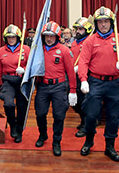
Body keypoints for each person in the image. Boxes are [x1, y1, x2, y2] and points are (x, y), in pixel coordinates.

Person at [77, 6, 119, 162]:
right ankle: (89, 141)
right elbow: (83, 61)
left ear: (111, 22)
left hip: (114, 83)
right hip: (95, 82)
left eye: (106, 21)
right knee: (91, 115)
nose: (103, 25)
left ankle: (110, 146)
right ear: (96, 23)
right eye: (100, 22)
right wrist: (83, 79)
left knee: (114, 116)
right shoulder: (90, 40)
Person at [33, 21, 76, 157]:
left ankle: (56, 141)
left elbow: (70, 72)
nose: (49, 39)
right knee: (40, 113)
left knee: (59, 115)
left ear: (57, 36)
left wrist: (73, 91)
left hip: (59, 87)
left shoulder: (64, 50)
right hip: (42, 86)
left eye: (52, 36)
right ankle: (43, 134)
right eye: (46, 36)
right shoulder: (38, 50)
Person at [0, 25, 30, 144]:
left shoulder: (26, 49)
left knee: (22, 107)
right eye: (8, 37)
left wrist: (24, 69)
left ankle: (19, 131)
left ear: (18, 37)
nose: (11, 39)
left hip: (22, 80)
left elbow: (31, 66)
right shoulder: (1, 51)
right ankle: (12, 124)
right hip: (8, 80)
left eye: (13, 37)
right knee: (8, 104)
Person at [70, 17, 94, 138]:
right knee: (74, 102)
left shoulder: (89, 42)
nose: (77, 31)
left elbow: (91, 61)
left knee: (84, 102)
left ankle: (86, 125)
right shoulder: (75, 42)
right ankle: (83, 119)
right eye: (77, 29)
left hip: (85, 77)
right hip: (73, 76)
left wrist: (79, 68)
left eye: (80, 29)